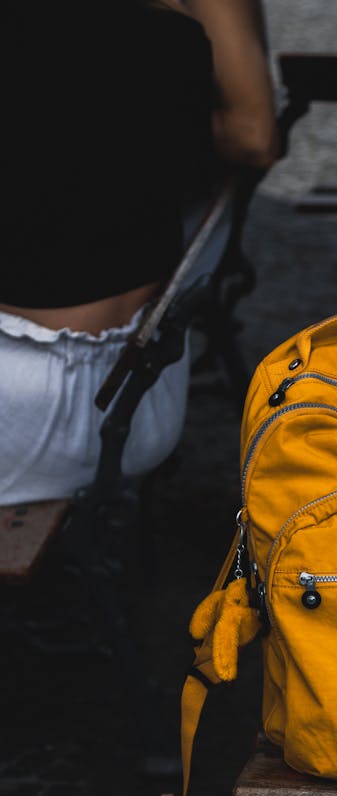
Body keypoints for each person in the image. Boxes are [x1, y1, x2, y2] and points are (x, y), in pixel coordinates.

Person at [0, 0, 277, 506]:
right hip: (110, 396)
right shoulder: (156, 47)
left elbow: (251, 135)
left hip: (45, 400)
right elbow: (251, 134)